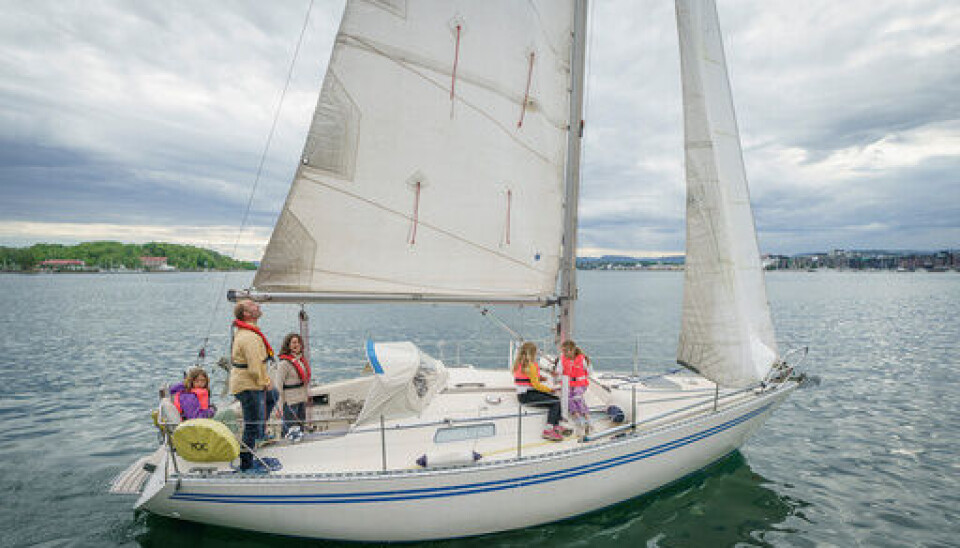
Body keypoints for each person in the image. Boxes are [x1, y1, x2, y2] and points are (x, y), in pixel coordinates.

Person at [229, 299, 279, 472]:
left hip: (249, 383)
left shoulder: (249, 333)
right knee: (251, 423)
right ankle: (246, 464)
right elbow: (254, 367)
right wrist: (265, 382)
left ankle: (260, 434)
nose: (258, 306)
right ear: (246, 314)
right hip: (247, 385)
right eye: (253, 306)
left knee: (274, 396)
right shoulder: (248, 337)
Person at [513, 341, 565, 441]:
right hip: (528, 396)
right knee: (555, 402)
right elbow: (536, 385)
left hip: (522, 395)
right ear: (532, 353)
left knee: (555, 400)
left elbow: (526, 377)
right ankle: (549, 430)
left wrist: (540, 378)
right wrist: (550, 389)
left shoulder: (519, 364)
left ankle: (556, 426)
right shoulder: (531, 366)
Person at [278, 333, 310, 437]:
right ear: (288, 345)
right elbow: (278, 385)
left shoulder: (300, 361)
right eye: (294, 342)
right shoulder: (284, 364)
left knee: (301, 426)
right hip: (290, 401)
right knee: (289, 427)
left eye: (298, 342)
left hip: (301, 399)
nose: (297, 345)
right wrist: (279, 406)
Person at [560, 340, 593, 435]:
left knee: (577, 396)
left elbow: (589, 372)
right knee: (568, 398)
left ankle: (587, 417)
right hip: (568, 384)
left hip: (580, 384)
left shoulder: (582, 359)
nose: (564, 353)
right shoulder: (562, 359)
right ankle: (578, 417)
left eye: (566, 351)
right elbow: (559, 371)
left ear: (572, 350)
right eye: (563, 351)